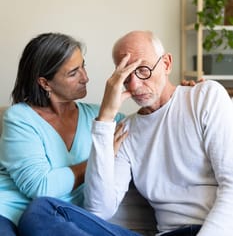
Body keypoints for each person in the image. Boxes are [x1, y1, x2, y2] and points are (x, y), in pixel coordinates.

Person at [18, 30, 233, 236]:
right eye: (126, 74)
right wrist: (104, 120)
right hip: (166, 233)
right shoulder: (125, 129)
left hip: (211, 228)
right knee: (40, 212)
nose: (135, 84)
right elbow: (99, 210)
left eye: (143, 70)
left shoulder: (205, 97)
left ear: (166, 64)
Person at [0, 32, 125, 235]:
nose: (86, 77)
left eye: (83, 66)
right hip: (8, 213)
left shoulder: (101, 117)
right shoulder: (19, 118)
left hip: (59, 219)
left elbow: (148, 124)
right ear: (45, 83)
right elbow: (42, 187)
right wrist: (101, 156)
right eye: (73, 73)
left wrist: (181, 97)